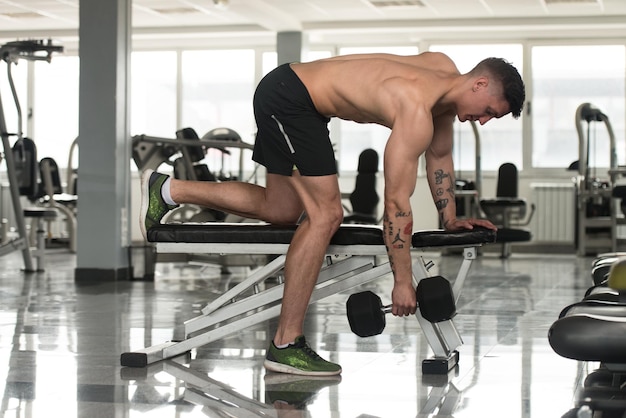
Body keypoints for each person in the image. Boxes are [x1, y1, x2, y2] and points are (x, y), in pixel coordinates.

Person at [140, 52, 525, 377]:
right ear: (479, 84)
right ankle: (286, 343)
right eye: (490, 110)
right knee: (325, 215)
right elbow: (395, 203)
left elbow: (439, 157)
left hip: (292, 95)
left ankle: (168, 190)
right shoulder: (415, 109)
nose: (485, 120)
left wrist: (451, 218)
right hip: (293, 99)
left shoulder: (443, 72)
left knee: (283, 209)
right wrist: (403, 280)